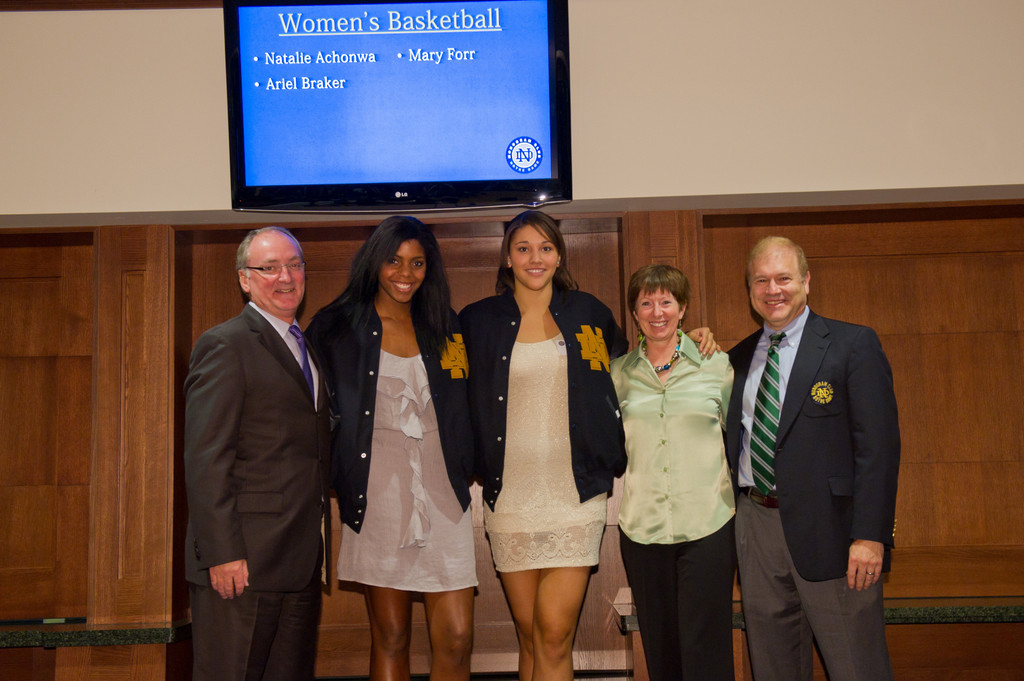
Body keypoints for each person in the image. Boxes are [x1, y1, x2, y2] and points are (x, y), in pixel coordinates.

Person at [459, 211, 715, 681]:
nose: (535, 258)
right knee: (530, 633)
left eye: (545, 248)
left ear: (559, 254)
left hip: (575, 496)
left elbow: (636, 365)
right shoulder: (476, 322)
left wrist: (688, 341)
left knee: (554, 631)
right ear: (507, 257)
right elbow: (449, 392)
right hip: (509, 495)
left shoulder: (589, 313)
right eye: (523, 248)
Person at [305, 216, 476, 681]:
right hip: (376, 489)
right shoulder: (335, 325)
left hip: (443, 488)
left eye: (417, 262)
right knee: (392, 634)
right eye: (394, 260)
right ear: (374, 261)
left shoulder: (447, 326)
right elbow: (308, 408)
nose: (406, 272)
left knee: (458, 635)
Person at [725, 236, 900, 681]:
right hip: (756, 529)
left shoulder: (851, 344)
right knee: (774, 666)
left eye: (783, 278)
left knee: (857, 667)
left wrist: (870, 535)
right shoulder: (736, 360)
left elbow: (878, 449)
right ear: (749, 289)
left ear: (806, 281)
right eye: (761, 280)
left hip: (836, 535)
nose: (773, 290)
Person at [183, 226, 331, 681]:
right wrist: (223, 553)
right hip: (242, 564)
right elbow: (208, 458)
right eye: (269, 268)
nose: (285, 277)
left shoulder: (306, 348)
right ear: (245, 279)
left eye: (294, 265)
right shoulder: (226, 344)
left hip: (299, 561)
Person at [611, 264, 735, 681]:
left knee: (708, 651)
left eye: (666, 301)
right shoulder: (618, 375)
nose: (656, 311)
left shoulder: (717, 366)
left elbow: (739, 441)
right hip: (643, 530)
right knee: (662, 655)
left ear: (683, 308)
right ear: (634, 312)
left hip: (709, 526)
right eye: (646, 302)